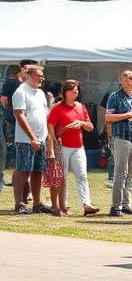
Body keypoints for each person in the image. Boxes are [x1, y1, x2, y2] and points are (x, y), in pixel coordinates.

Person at [45, 80, 98, 217]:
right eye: (71, 90)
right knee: (61, 177)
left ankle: (86, 204)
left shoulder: (80, 107)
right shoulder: (58, 108)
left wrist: (81, 123)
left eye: (76, 90)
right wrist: (53, 143)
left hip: (78, 146)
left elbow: (90, 127)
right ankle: (63, 204)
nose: (74, 92)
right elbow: (50, 126)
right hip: (63, 145)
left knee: (82, 175)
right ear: (65, 92)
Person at [12, 64, 50, 214]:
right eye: (38, 76)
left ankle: (37, 203)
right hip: (26, 139)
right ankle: (19, 204)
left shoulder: (40, 93)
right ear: (28, 76)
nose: (41, 79)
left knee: (37, 170)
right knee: (23, 170)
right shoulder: (21, 92)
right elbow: (20, 115)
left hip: (41, 137)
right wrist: (32, 137)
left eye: (42, 76)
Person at [106, 69, 132, 217]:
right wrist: (128, 115)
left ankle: (127, 204)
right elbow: (108, 117)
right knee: (121, 173)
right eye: (126, 77)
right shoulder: (114, 96)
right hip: (120, 137)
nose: (130, 79)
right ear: (120, 80)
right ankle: (116, 206)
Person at [3, 59, 40, 198]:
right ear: (22, 69)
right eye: (28, 68)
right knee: (19, 159)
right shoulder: (13, 83)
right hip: (14, 123)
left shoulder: (35, 88)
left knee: (33, 163)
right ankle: (21, 196)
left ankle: (29, 191)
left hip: (34, 129)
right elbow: (4, 100)